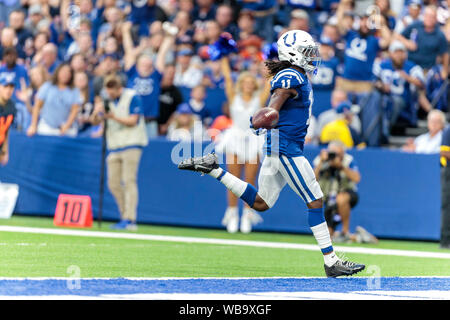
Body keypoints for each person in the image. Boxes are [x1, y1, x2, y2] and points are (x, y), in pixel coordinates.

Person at [179, 30, 365, 278]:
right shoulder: (290, 76)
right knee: (316, 200)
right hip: (286, 149)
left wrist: (266, 118)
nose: (312, 56)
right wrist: (266, 116)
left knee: (261, 203)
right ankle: (331, 262)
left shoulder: (293, 75)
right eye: (307, 51)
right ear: (294, 54)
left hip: (278, 147)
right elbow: (274, 105)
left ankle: (214, 169)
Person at [215, 56, 270, 234]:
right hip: (235, 138)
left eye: (250, 81)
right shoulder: (233, 96)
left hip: (253, 139)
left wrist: (271, 61)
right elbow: (227, 77)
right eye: (244, 81)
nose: (247, 84)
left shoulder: (259, 99)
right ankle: (232, 214)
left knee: (250, 180)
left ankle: (247, 214)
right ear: (241, 83)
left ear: (254, 84)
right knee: (232, 180)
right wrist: (224, 56)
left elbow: (269, 83)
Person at [91, 74, 148, 231]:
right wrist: (98, 111)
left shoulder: (132, 97)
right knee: (113, 183)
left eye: (112, 91)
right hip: (114, 145)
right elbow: (95, 121)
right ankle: (124, 215)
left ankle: (131, 219)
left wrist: (112, 117)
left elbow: (133, 121)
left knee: (129, 181)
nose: (110, 94)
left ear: (118, 88)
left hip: (132, 143)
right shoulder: (106, 100)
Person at [122, 21, 177, 138]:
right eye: (143, 64)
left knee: (150, 151)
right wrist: (125, 32)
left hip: (150, 122)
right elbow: (128, 51)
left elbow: (162, 53)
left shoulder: (156, 76)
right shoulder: (132, 73)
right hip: (132, 120)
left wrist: (169, 35)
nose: (146, 67)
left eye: (149, 65)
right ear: (137, 65)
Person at [312, 140, 372, 244]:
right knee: (327, 236)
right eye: (332, 154)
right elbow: (312, 179)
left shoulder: (348, 160)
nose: (334, 156)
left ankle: (345, 232)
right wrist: (322, 162)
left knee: (341, 198)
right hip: (328, 198)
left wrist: (341, 166)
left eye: (338, 154)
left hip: (347, 194)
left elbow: (357, 178)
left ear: (343, 153)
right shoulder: (321, 159)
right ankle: (358, 237)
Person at [26, 63, 82, 137]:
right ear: (58, 72)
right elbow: (37, 106)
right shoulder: (47, 86)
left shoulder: (74, 91)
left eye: (68, 72)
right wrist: (33, 125)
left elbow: (74, 110)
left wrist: (66, 126)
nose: (65, 74)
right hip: (47, 126)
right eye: (63, 72)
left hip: (66, 129)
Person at [0, 75, 17, 166]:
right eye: (5, 86)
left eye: (11, 87)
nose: (8, 90)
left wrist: (5, 150)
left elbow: (6, 129)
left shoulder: (12, 106)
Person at [440, 125, 450, 249]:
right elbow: (444, 151)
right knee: (447, 205)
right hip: (448, 171)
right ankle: (446, 240)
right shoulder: (448, 130)